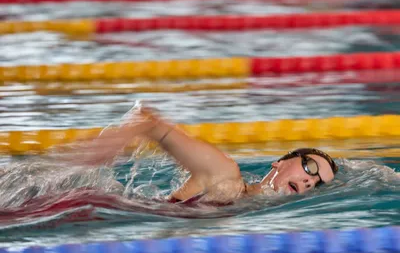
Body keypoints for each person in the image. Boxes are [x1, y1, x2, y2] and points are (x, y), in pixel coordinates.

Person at [64, 104, 338, 206]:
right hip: (81, 206)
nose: (309, 182)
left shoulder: (244, 201)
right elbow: (149, 122)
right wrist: (114, 141)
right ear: (279, 162)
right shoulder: (226, 175)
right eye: (310, 168)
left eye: (317, 184)